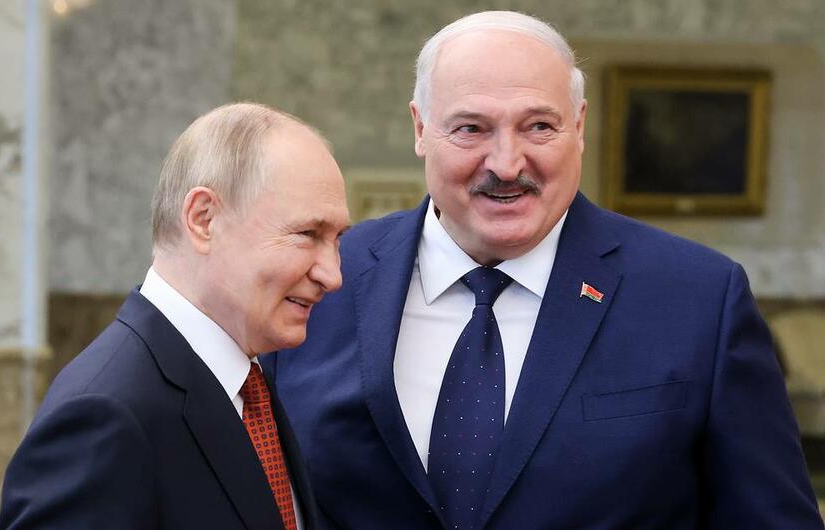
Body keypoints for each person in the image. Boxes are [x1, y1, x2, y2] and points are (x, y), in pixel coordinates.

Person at [263, 11, 824, 529]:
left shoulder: (698, 300)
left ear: (578, 126)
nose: (507, 164)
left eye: (538, 127)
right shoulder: (318, 281)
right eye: (471, 129)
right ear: (420, 128)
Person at [0, 103, 350, 529]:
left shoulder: (251, 387)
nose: (332, 275)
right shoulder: (102, 416)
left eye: (337, 239)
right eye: (307, 234)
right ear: (204, 219)